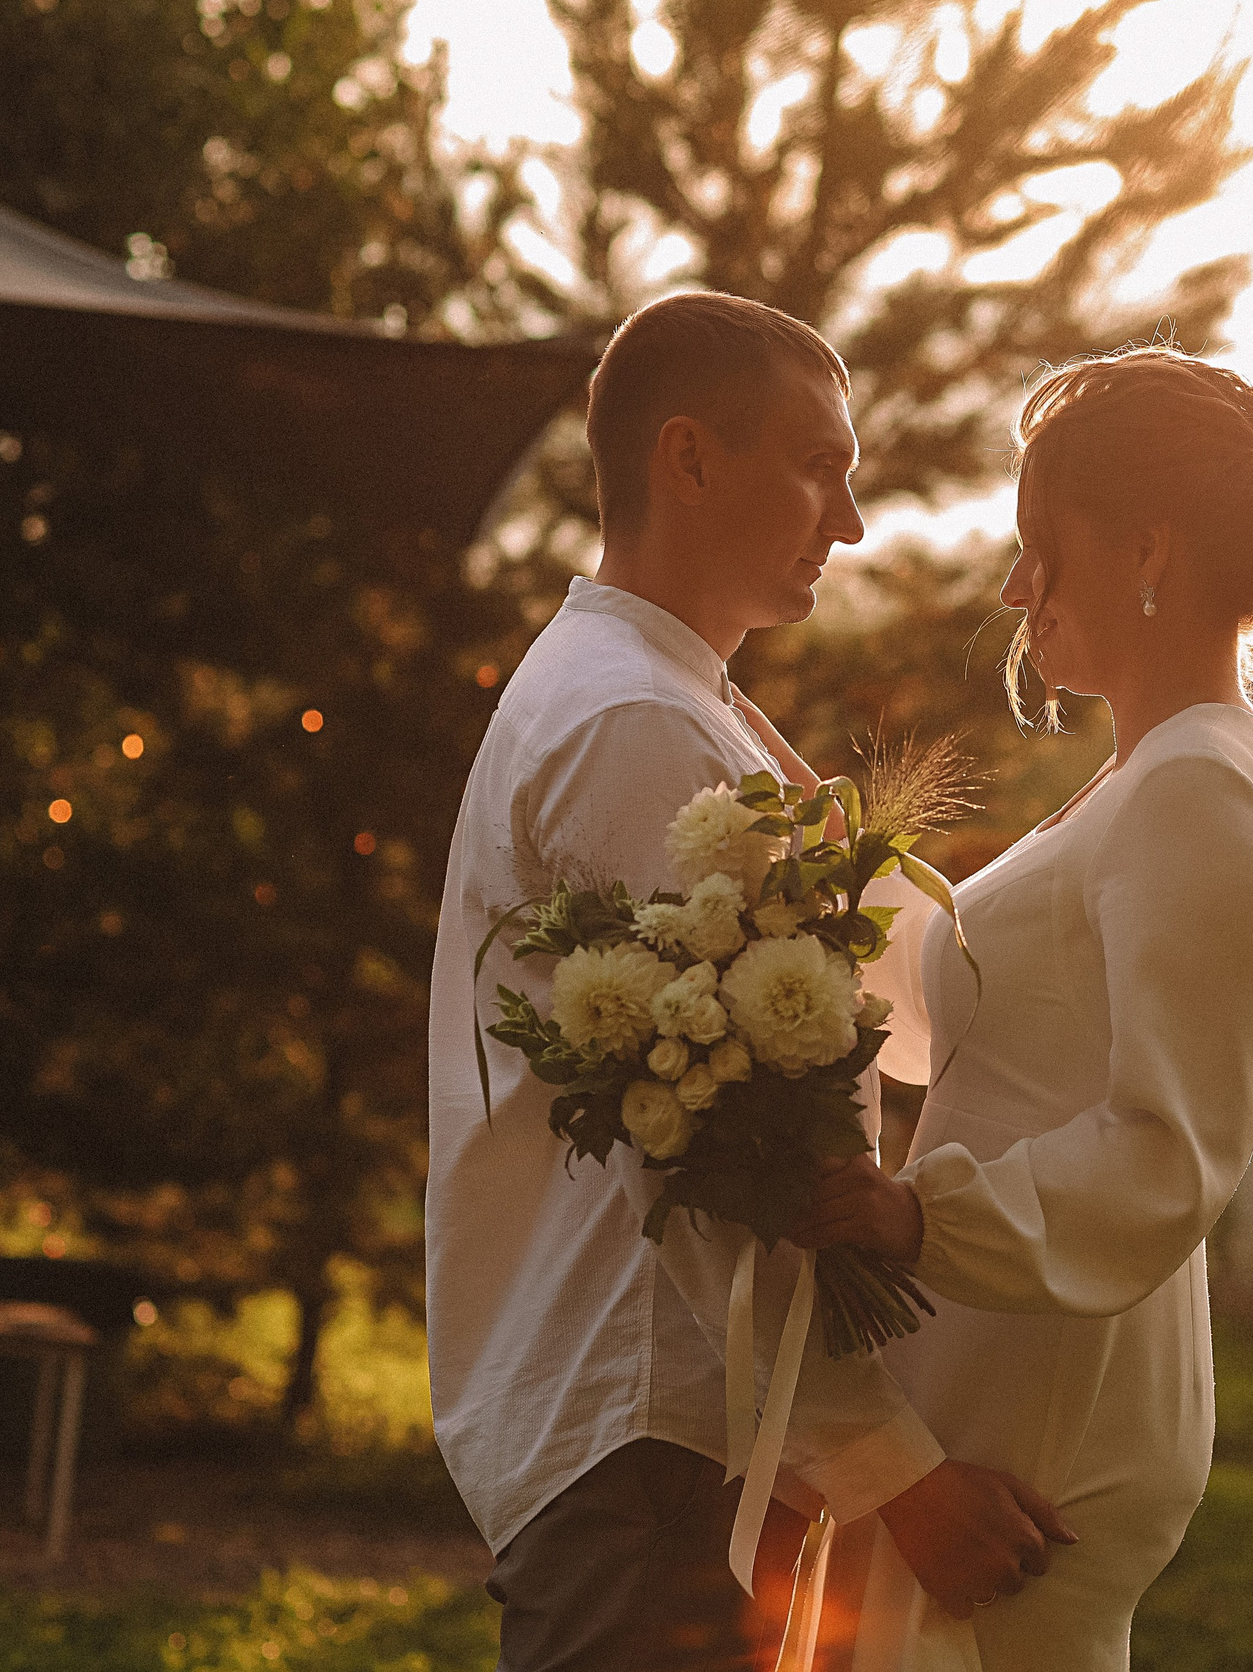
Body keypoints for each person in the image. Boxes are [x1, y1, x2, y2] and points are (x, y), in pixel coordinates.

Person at [425, 292, 1070, 1671]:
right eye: (818, 465)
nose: (846, 520)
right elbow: (732, 1147)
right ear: (689, 457)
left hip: (669, 1444)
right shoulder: (634, 722)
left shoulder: (670, 694)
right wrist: (899, 1477)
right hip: (651, 1443)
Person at [797, 346, 1253, 1669]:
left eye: (1040, 547)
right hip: (993, 1359)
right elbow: (1015, 1022)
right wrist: (807, 888)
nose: (1014, 589)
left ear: (1148, 547)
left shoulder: (1200, 790)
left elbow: (1172, 1154)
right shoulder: (1149, 774)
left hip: (1046, 1404)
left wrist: (914, 1214)